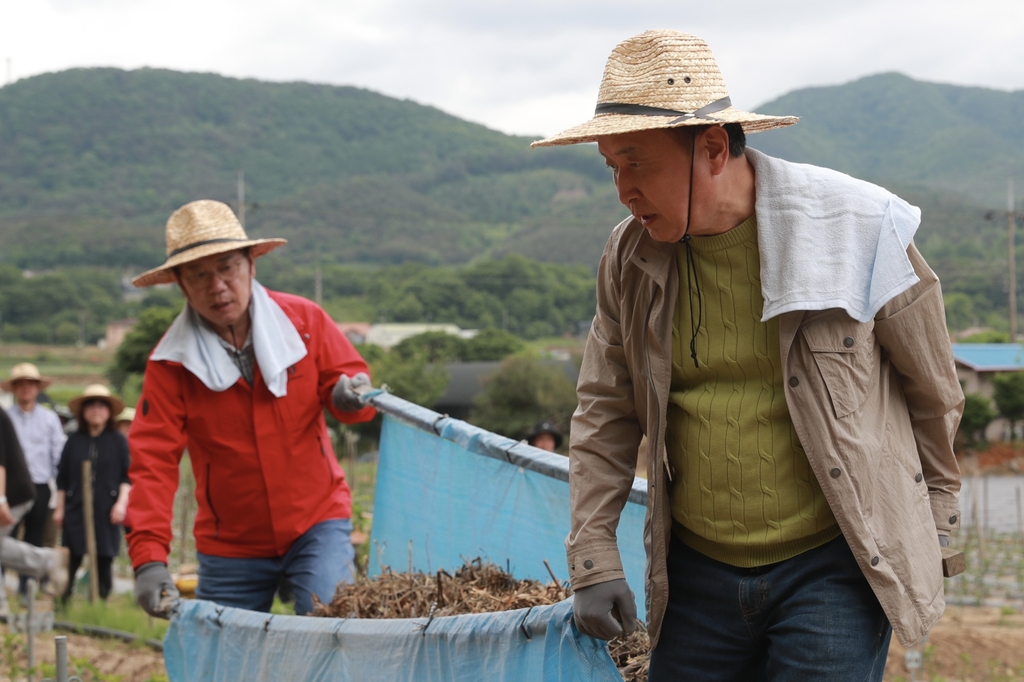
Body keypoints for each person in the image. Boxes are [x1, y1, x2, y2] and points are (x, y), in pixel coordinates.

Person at [531, 30, 964, 680]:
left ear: (711, 148)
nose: (622, 188)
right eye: (611, 167)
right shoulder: (630, 260)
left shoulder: (858, 228)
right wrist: (593, 555)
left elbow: (933, 388)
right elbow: (603, 411)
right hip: (697, 574)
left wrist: (941, 525)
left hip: (832, 565)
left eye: (636, 163)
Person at [127, 200, 376, 618]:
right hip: (231, 542)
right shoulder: (171, 364)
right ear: (181, 286)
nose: (218, 286)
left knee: (333, 627)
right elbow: (153, 463)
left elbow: (354, 388)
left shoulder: (304, 323)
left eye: (227, 267)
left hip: (315, 522)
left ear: (251, 265)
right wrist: (148, 560)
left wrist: (348, 398)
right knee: (225, 658)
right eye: (199, 275)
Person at [53, 385, 131, 603]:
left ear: (109, 411)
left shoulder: (117, 441)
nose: (96, 410)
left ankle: (99, 603)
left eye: (101, 406)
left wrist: (121, 504)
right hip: (76, 506)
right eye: (91, 406)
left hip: (107, 508)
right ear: (83, 411)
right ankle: (63, 601)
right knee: (72, 556)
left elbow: (127, 476)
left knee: (104, 556)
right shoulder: (74, 440)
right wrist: (60, 509)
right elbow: (62, 478)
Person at [2, 363, 66, 595]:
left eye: (30, 384)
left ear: (37, 388)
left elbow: (58, 455)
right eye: (21, 384)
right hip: (9, 489)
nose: (26, 388)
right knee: (6, 537)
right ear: (14, 389)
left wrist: (60, 492)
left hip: (39, 486)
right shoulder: (6, 417)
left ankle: (25, 589)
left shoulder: (49, 419)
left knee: (34, 536)